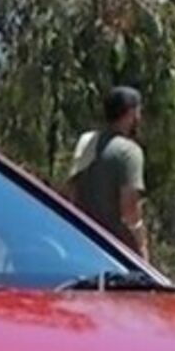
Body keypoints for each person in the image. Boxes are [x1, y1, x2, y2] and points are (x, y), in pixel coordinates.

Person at [67, 85, 147, 251]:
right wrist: (141, 245)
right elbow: (129, 210)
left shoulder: (86, 141)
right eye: (138, 112)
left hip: (80, 240)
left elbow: (72, 192)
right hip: (114, 249)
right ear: (131, 114)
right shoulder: (129, 152)